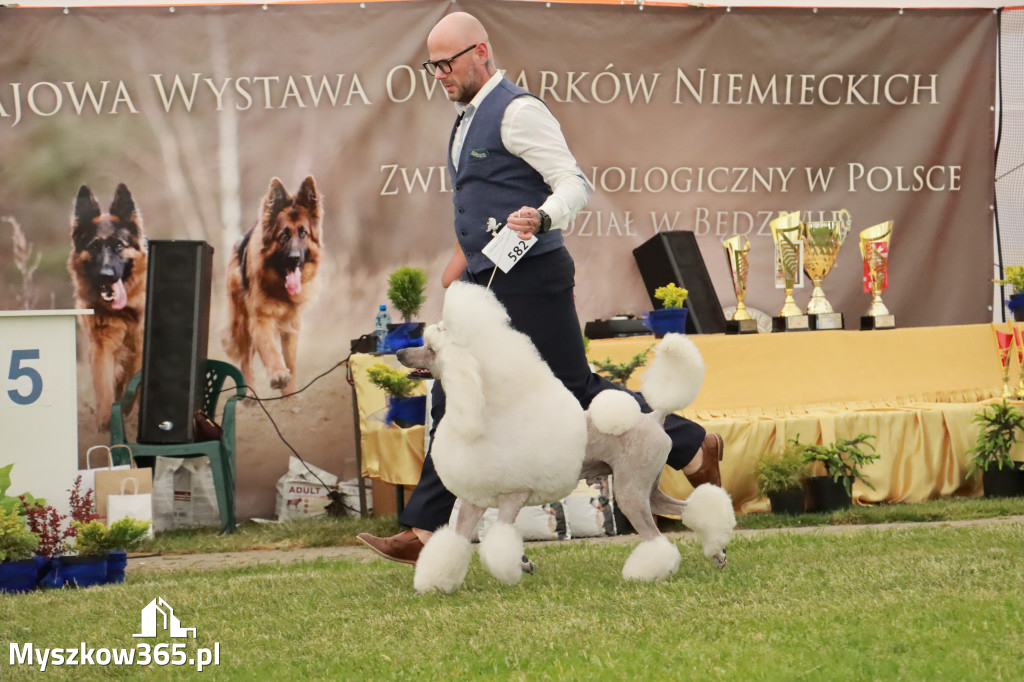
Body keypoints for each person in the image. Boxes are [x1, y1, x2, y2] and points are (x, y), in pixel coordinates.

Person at [358, 12, 723, 565]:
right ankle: (428, 530)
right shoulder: (465, 118)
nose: (439, 74)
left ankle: (691, 442)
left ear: (480, 51)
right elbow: (484, 200)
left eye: (447, 63)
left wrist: (545, 219)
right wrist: (462, 262)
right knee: (450, 385)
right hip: (489, 280)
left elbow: (573, 183)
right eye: (432, 65)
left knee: (574, 391)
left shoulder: (519, 111)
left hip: (535, 279)